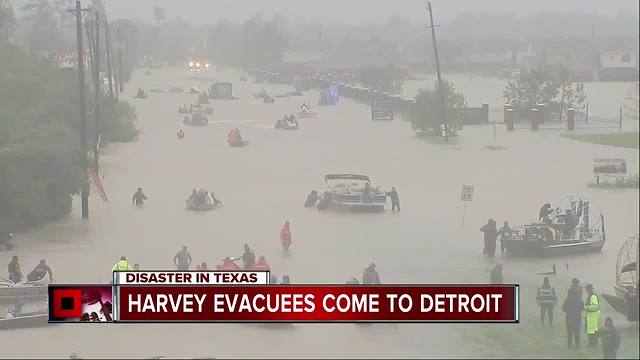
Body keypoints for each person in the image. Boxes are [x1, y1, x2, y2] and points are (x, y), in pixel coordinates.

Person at [562, 278, 584, 348]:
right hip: (577, 319)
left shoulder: (568, 300)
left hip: (569, 320)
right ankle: (577, 349)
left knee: (570, 335)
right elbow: (582, 308)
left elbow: (563, 309)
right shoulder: (580, 301)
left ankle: (570, 348)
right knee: (577, 335)